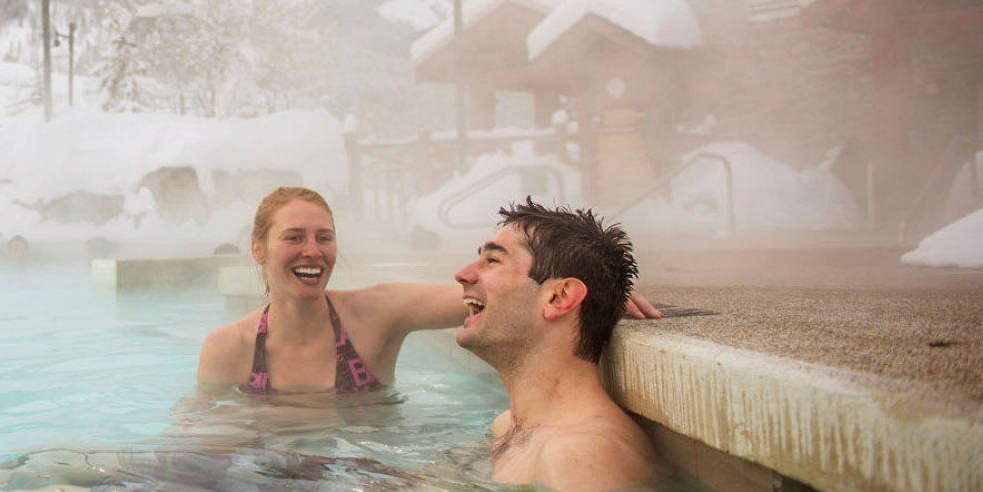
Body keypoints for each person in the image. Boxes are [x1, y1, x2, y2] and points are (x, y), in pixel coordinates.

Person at [197, 187, 658, 394]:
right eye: (293, 237)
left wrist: (596, 289)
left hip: (371, 480)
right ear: (259, 249)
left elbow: (493, 297)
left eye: (324, 237)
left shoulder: (375, 313)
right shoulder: (228, 348)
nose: (312, 252)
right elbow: (200, 445)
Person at [455, 200, 659, 492]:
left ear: (559, 298)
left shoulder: (581, 457)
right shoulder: (507, 427)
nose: (461, 274)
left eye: (493, 261)